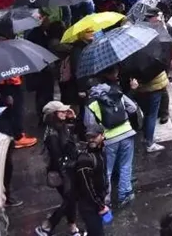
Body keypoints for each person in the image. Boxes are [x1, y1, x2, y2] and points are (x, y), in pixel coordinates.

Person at [83, 68, 139, 207]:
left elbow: (90, 125)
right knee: (126, 165)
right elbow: (132, 108)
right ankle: (124, 194)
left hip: (108, 139)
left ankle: (105, 199)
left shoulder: (91, 103)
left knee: (106, 169)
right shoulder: (116, 92)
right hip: (127, 132)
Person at [35, 101, 81, 236]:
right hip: (63, 172)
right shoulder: (52, 134)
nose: (65, 113)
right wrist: (66, 175)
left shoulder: (62, 126)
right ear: (53, 114)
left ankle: (72, 228)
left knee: (71, 199)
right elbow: (57, 158)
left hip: (70, 169)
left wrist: (73, 118)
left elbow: (78, 131)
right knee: (70, 199)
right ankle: (48, 225)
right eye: (61, 111)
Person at [74, 132, 109, 236]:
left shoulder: (102, 152)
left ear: (102, 136)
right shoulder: (85, 159)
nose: (91, 139)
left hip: (97, 201)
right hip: (89, 206)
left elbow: (104, 174)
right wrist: (100, 206)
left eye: (94, 136)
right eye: (89, 137)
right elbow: (87, 187)